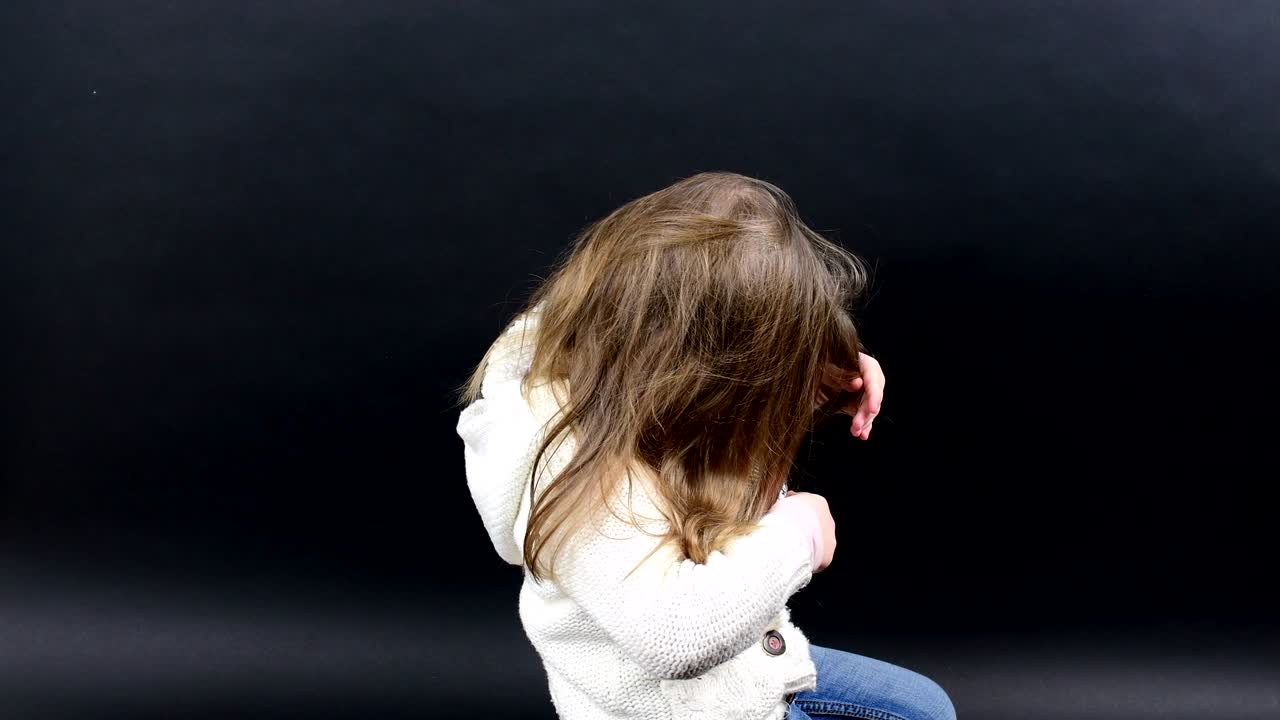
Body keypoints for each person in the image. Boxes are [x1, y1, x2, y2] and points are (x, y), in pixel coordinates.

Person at [455, 171, 956, 720]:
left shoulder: (625, 375)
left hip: (734, 679)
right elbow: (677, 635)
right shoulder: (572, 469)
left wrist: (806, 378)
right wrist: (796, 535)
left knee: (923, 707)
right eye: (763, 375)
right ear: (702, 375)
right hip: (676, 708)